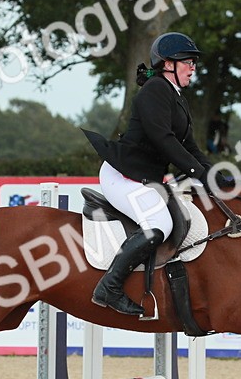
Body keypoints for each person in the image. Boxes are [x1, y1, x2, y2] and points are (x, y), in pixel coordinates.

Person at [83, 32, 214, 316]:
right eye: (188, 62)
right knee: (159, 224)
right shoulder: (155, 89)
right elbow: (163, 139)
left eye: (193, 63)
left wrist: (212, 173)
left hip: (143, 177)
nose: (193, 68)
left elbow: (188, 144)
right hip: (123, 174)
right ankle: (110, 287)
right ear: (168, 64)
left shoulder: (176, 96)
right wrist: (196, 172)